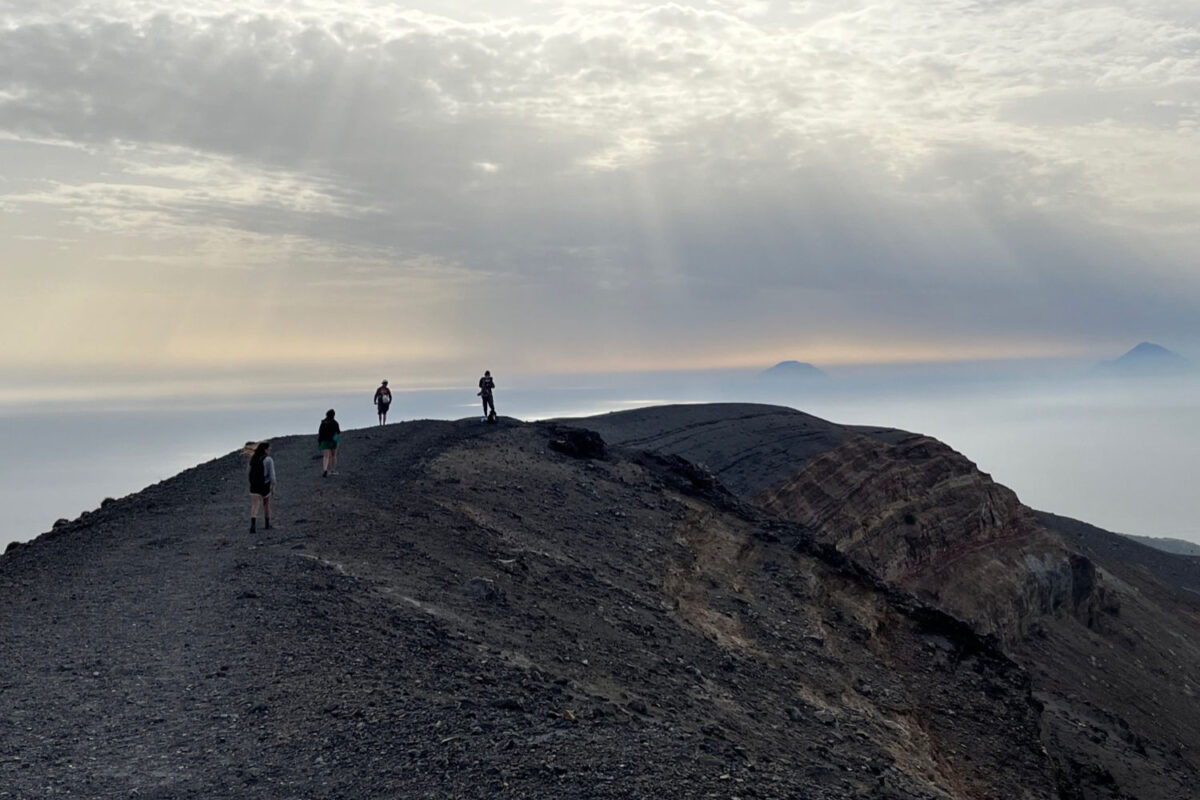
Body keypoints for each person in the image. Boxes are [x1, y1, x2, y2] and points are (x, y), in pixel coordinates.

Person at [247, 441, 276, 533]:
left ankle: (253, 525)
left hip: (254, 485)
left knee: (255, 505)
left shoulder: (253, 458)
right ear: (265, 449)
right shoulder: (268, 459)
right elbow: (272, 475)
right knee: (266, 503)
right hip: (264, 484)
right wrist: (273, 486)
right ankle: (267, 524)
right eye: (269, 448)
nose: (269, 450)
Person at [318, 409, 340, 477]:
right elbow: (338, 432)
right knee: (333, 455)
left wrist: (320, 440)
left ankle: (325, 470)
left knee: (326, 456)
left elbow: (320, 432)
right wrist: (335, 439)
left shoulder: (323, 422)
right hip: (333, 441)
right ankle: (333, 470)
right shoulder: (335, 423)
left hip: (325, 441)